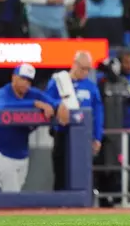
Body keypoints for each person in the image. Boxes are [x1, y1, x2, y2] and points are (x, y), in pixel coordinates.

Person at [0, 64, 69, 192]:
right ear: (14, 77)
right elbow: (4, 107)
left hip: (22, 153)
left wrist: (60, 106)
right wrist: (35, 104)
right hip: (1, 151)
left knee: (13, 193)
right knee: (11, 195)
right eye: (22, 79)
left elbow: (51, 101)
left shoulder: (32, 93)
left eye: (28, 81)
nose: (25, 84)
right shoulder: (3, 93)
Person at [45, 51, 103, 191]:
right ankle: (59, 205)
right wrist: (58, 104)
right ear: (75, 64)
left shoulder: (91, 87)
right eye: (83, 68)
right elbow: (46, 99)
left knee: (81, 172)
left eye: (88, 69)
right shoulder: (59, 81)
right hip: (62, 133)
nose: (85, 72)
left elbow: (98, 113)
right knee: (61, 172)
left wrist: (97, 137)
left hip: (83, 135)